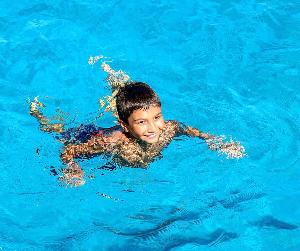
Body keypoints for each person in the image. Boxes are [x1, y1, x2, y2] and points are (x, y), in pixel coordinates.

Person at [29, 64, 245, 186]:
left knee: (128, 103)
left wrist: (214, 141)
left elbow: (189, 130)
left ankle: (118, 85)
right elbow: (69, 151)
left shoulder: (168, 128)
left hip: (122, 130)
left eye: (157, 117)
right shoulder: (110, 141)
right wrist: (73, 168)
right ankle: (38, 112)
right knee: (56, 131)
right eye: (142, 122)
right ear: (124, 126)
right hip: (89, 133)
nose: (153, 128)